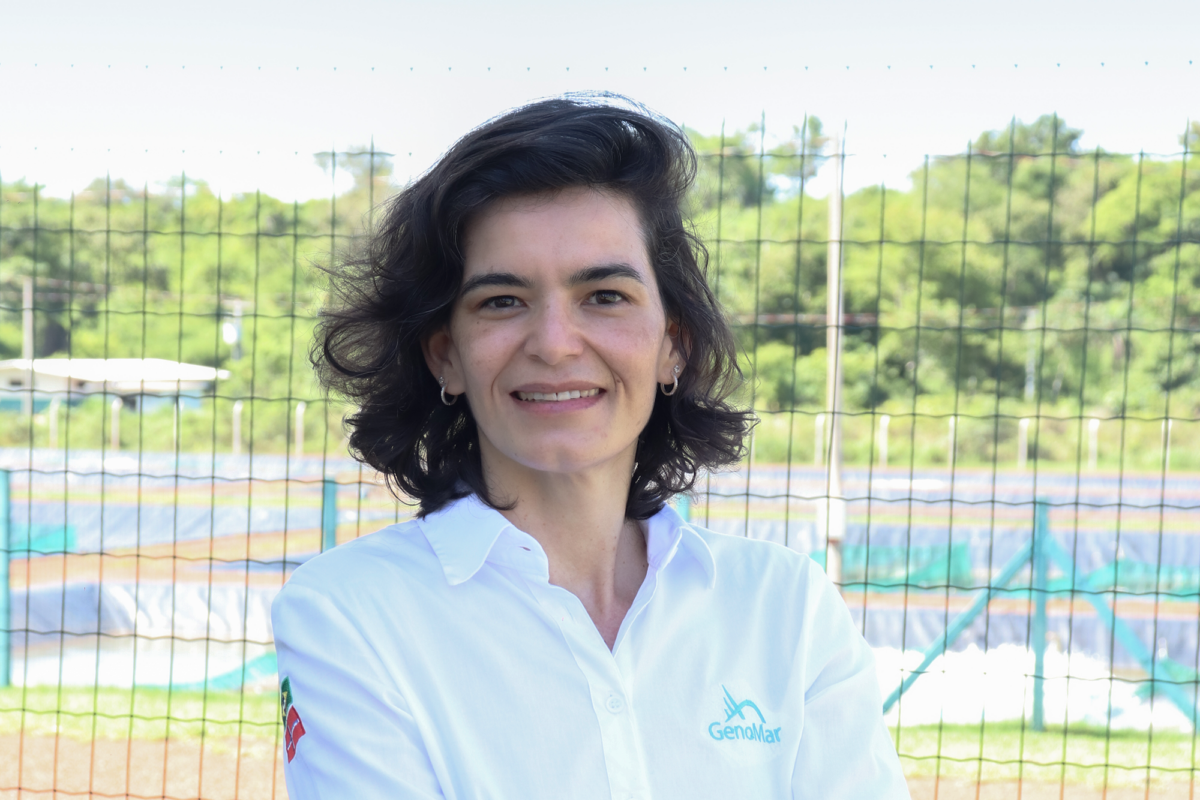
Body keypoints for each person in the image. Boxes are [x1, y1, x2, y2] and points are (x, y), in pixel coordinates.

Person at [272, 94, 909, 799]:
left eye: (604, 295)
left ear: (673, 344)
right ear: (446, 356)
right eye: (502, 301)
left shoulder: (786, 608)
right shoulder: (348, 612)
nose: (553, 343)